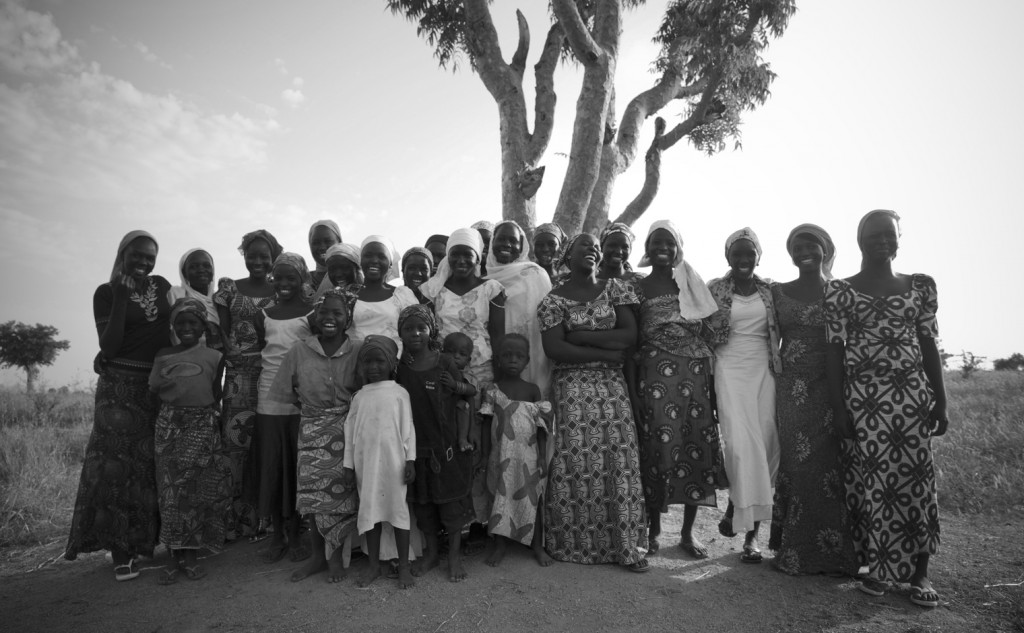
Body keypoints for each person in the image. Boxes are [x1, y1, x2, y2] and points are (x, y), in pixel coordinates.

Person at [825, 210, 948, 607]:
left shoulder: (920, 286)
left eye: (889, 235)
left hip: (912, 396)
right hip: (864, 399)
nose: (882, 241)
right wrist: (839, 408)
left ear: (899, 238)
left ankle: (920, 572)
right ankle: (876, 566)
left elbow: (929, 345)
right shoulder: (840, 291)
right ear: (860, 240)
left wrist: (940, 400)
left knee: (918, 478)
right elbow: (833, 354)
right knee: (872, 481)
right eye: (873, 235)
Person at [537, 233, 648, 572]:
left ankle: (626, 547)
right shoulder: (551, 301)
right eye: (585, 246)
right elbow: (555, 348)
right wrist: (604, 349)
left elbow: (630, 336)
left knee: (619, 458)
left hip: (612, 385)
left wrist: (582, 336)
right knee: (575, 461)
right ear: (567, 256)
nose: (594, 251)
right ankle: (575, 545)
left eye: (596, 248)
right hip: (571, 386)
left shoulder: (617, 290)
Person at [66, 230, 170, 581]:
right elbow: (109, 347)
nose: (143, 262)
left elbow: (176, 327)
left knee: (151, 465)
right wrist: (123, 299)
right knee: (117, 468)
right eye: (136, 255)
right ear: (122, 255)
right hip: (119, 389)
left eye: (149, 256)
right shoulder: (106, 293)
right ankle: (121, 552)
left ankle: (149, 543)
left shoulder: (162, 285)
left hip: (157, 387)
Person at [769, 224, 858, 576]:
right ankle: (794, 549)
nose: (804, 251)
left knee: (833, 469)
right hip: (792, 388)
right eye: (797, 246)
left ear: (827, 250)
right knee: (798, 465)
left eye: (812, 245)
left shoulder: (841, 292)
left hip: (834, 386)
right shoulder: (776, 292)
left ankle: (836, 553)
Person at [634, 220, 725, 559]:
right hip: (656, 376)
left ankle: (687, 534)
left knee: (694, 447)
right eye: (657, 242)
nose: (663, 248)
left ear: (678, 248)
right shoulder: (637, 287)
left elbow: (712, 328)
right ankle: (653, 529)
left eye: (669, 243)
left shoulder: (689, 281)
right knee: (658, 448)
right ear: (647, 247)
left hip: (696, 373)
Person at [418, 228, 506, 551]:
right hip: (444, 376)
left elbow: (497, 335)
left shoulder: (492, 290)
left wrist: (496, 383)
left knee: (478, 447)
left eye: (466, 254)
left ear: (478, 257)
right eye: (454, 254)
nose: (459, 260)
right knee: (449, 441)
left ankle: (479, 522)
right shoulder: (434, 292)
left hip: (480, 377)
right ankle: (451, 522)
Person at [266, 289, 361, 584]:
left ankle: (335, 559)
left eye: (337, 313)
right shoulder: (299, 350)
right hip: (311, 428)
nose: (329, 318)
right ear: (314, 318)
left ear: (347, 319)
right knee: (312, 497)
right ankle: (317, 557)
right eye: (324, 313)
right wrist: (315, 414)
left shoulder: (358, 349)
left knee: (342, 496)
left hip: (347, 429)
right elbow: (285, 391)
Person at [707, 227, 781, 564]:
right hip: (728, 366)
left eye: (749, 253)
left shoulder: (771, 291)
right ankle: (738, 504)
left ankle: (752, 538)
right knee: (738, 445)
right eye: (736, 253)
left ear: (758, 256)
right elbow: (700, 326)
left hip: (764, 369)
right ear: (727, 257)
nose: (743, 259)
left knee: (764, 445)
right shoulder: (715, 289)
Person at [149, 298, 231, 584]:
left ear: (203, 326)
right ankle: (173, 558)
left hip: (203, 425)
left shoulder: (214, 356)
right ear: (173, 326)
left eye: (192, 323)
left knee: (196, 492)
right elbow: (155, 389)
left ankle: (192, 557)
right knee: (170, 495)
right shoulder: (162, 355)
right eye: (180, 322)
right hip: (170, 427)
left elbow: (215, 393)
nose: (186, 328)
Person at [395, 305, 475, 583]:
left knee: (451, 507)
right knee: (424, 505)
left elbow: (466, 397)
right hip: (416, 448)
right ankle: (431, 553)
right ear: (400, 333)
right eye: (408, 328)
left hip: (446, 447)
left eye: (421, 327)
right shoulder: (399, 367)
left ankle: (453, 555)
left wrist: (465, 435)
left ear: (431, 331)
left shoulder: (445, 363)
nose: (415, 333)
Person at [214, 229, 282, 541]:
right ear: (244, 256)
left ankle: (263, 520)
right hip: (239, 376)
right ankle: (233, 521)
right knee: (235, 446)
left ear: (273, 258)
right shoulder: (230, 290)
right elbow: (223, 338)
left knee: (264, 444)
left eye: (263, 256)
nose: (257, 261)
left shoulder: (281, 290)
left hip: (269, 374)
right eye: (251, 255)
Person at [342, 336, 417, 589]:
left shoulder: (399, 393)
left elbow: (409, 429)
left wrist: (410, 460)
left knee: (398, 512)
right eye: (367, 362)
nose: (373, 367)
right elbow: (349, 433)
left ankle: (404, 566)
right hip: (367, 467)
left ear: (391, 364)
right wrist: (348, 465)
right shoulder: (359, 397)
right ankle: (373, 565)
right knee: (370, 513)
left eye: (379, 361)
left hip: (394, 465)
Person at [255, 253, 315, 564]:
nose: (284, 283)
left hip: (300, 397)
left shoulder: (312, 313)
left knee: (297, 465)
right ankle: (277, 535)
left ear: (303, 278)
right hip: (269, 397)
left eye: (291, 277)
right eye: (279, 277)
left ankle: (296, 535)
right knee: (274, 466)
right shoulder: (264, 314)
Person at [479, 334, 553, 568]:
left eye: (519, 356)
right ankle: (500, 545)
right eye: (507, 355)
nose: (513, 360)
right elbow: (484, 424)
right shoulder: (493, 390)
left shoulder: (533, 390)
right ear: (498, 359)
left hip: (528, 458)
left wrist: (542, 455)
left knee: (534, 500)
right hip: (499, 457)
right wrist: (484, 454)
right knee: (500, 500)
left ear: (527, 361)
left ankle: (537, 546)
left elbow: (541, 427)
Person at [485, 220, 552, 396]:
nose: (506, 244)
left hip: (530, 359)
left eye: (513, 241)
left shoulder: (535, 274)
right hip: (491, 359)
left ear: (522, 246)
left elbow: (545, 325)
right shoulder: (482, 278)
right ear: (492, 243)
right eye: (501, 239)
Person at [350, 235, 419, 354]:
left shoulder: (402, 295)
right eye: (368, 255)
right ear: (360, 261)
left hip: (394, 365)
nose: (374, 260)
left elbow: (416, 330)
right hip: (353, 365)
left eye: (381, 257)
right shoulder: (348, 296)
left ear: (390, 264)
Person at [168, 248, 223, 349]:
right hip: (183, 359)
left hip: (217, 361)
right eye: (194, 267)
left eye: (206, 266)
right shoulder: (175, 295)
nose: (201, 270)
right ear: (184, 273)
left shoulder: (220, 300)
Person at [307, 220, 343, 289]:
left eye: (328, 241)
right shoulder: (302, 282)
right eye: (316, 242)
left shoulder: (352, 278)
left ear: (339, 242)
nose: (322, 247)